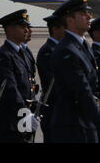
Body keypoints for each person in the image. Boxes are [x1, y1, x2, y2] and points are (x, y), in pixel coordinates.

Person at [50, 0, 100, 143]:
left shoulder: (82, 45)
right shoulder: (66, 50)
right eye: (83, 13)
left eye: (88, 12)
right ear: (70, 19)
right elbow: (82, 90)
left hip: (86, 122)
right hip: (71, 126)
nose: (89, 17)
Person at [0, 9, 39, 143]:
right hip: (10, 122)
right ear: (10, 30)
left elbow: (28, 84)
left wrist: (33, 109)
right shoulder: (3, 56)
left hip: (23, 119)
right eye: (22, 27)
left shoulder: (21, 53)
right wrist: (24, 113)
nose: (26, 30)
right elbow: (10, 89)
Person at [36, 14, 65, 143]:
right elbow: (53, 83)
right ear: (55, 29)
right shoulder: (48, 51)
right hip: (54, 108)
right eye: (65, 27)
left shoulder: (60, 49)